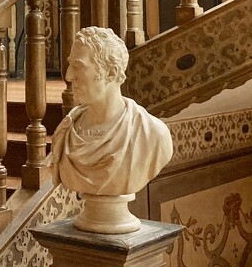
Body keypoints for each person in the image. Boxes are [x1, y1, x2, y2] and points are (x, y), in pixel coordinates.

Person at [51, 27, 173, 203]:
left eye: (78, 66)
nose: (68, 76)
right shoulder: (66, 132)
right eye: (70, 65)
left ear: (111, 73)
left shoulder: (152, 135)